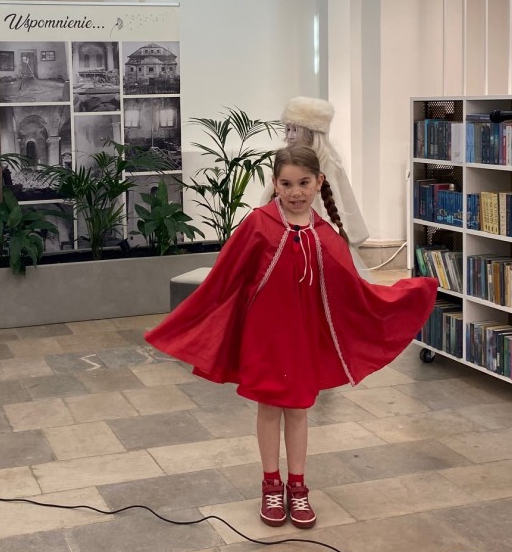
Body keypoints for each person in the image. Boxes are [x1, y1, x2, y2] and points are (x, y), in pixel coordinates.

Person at [146, 145, 436, 529]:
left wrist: (404, 295)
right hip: (265, 337)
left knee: (298, 409)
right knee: (269, 406)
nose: (295, 191)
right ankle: (271, 484)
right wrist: (186, 324)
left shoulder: (326, 235)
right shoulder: (258, 224)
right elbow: (223, 280)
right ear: (275, 184)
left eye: (303, 183)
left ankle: (297, 487)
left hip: (302, 339)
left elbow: (354, 292)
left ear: (319, 182)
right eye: (286, 184)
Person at [262, 97, 370, 272]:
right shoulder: (286, 161)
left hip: (318, 237)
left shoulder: (329, 164)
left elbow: (336, 202)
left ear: (312, 133)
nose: (290, 135)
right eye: (288, 129)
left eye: (296, 130)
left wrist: (330, 237)